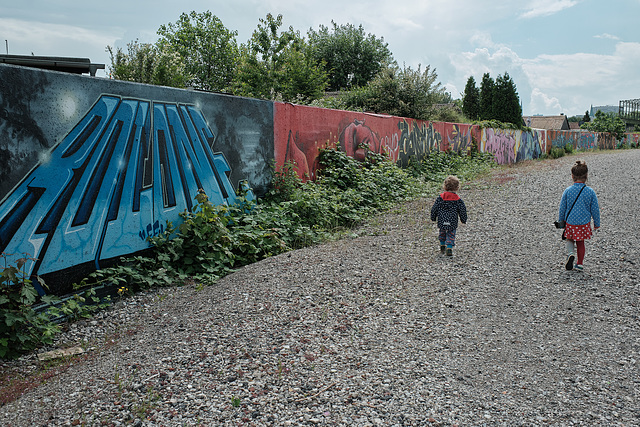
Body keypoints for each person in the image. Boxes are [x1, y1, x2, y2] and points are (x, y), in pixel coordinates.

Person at [558, 160, 600, 271]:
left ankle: (571, 253)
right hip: (583, 223)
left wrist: (561, 221)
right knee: (581, 243)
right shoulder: (590, 192)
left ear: (572, 176)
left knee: (570, 239)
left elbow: (562, 208)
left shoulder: (568, 191)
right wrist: (597, 223)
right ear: (586, 176)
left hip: (571, 222)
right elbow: (595, 209)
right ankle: (580, 263)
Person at [431, 175, 467, 256]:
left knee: (442, 232)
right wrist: (463, 219)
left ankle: (442, 244)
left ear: (444, 187)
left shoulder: (441, 197)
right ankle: (449, 247)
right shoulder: (457, 199)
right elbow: (462, 210)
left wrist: (433, 217)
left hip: (442, 219)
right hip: (452, 220)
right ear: (457, 188)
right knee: (451, 233)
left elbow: (435, 208)